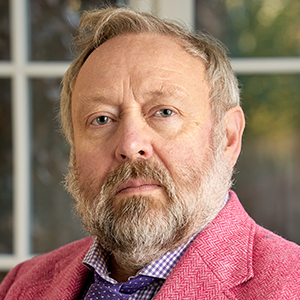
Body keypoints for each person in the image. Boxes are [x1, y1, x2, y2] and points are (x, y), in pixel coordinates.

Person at [1, 6, 300, 300]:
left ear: (229, 137)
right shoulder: (19, 286)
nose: (130, 145)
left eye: (164, 112)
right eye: (101, 119)